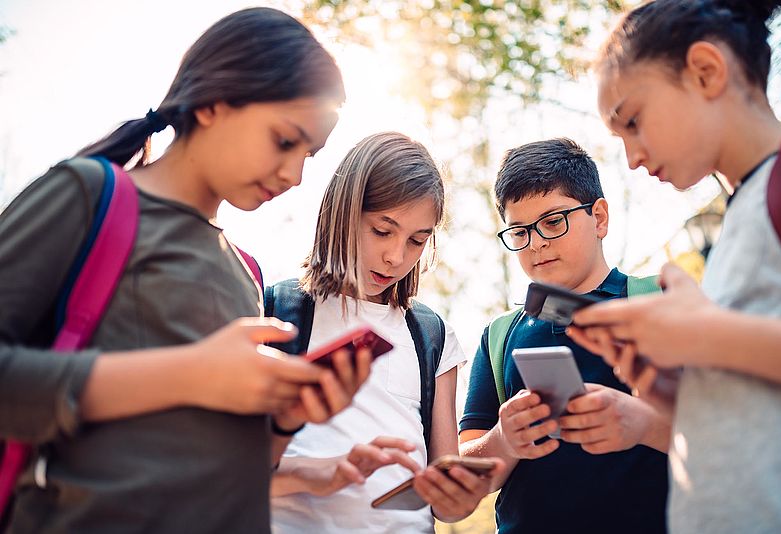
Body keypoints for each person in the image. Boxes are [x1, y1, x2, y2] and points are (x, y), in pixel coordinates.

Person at [0, 8, 370, 533]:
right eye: (286, 141)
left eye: (309, 154)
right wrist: (190, 373)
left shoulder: (247, 273)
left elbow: (232, 464)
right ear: (216, 102)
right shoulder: (89, 195)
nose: (295, 175)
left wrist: (287, 420)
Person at [567, 1, 781, 531]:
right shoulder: (737, 222)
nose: (632, 158)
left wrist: (706, 336)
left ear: (705, 71)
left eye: (633, 121)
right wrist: (680, 394)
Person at [267, 132, 503, 533]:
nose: (396, 257)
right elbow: (228, 469)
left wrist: (460, 490)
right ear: (344, 212)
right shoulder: (274, 311)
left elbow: (446, 505)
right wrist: (321, 472)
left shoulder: (431, 335)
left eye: (417, 240)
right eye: (382, 230)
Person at [458, 138, 670, 533]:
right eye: (519, 232)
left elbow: (726, 433)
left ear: (600, 218)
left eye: (553, 222)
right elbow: (468, 472)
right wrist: (504, 440)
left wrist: (642, 422)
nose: (536, 243)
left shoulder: (661, 302)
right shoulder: (500, 335)